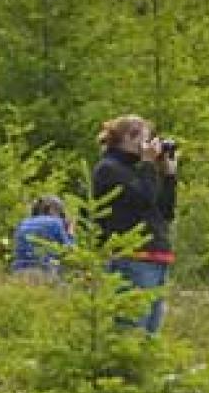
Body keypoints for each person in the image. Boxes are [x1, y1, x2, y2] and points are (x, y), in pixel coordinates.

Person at [92, 114, 177, 334]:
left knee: (150, 334)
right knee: (131, 332)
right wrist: (149, 164)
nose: (148, 147)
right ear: (128, 138)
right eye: (145, 140)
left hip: (156, 258)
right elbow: (143, 199)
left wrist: (168, 176)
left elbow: (165, 211)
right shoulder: (109, 169)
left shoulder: (139, 172)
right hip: (132, 257)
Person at [10, 195, 74, 278]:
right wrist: (70, 232)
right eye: (60, 212)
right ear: (52, 209)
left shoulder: (23, 222)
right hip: (45, 272)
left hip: (18, 272)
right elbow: (70, 252)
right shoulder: (55, 222)